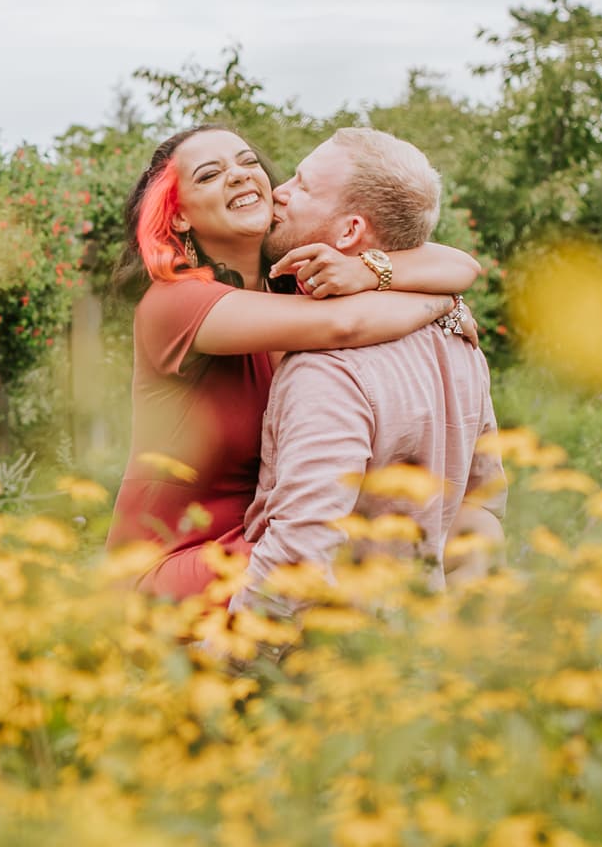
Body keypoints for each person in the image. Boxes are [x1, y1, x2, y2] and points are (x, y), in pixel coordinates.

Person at [106, 124, 481, 599]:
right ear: (179, 217)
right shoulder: (174, 305)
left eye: (246, 162)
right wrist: (445, 305)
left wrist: (368, 268)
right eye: (210, 174)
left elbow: (460, 265)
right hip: (175, 562)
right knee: (348, 564)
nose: (240, 176)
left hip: (263, 545)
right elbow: (347, 325)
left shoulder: (291, 287)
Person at [228, 128, 505, 619]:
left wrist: (220, 663)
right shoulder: (461, 342)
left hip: (325, 664)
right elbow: (481, 510)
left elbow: (298, 554)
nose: (280, 191)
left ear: (350, 232)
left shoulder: (328, 369)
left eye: (304, 186)